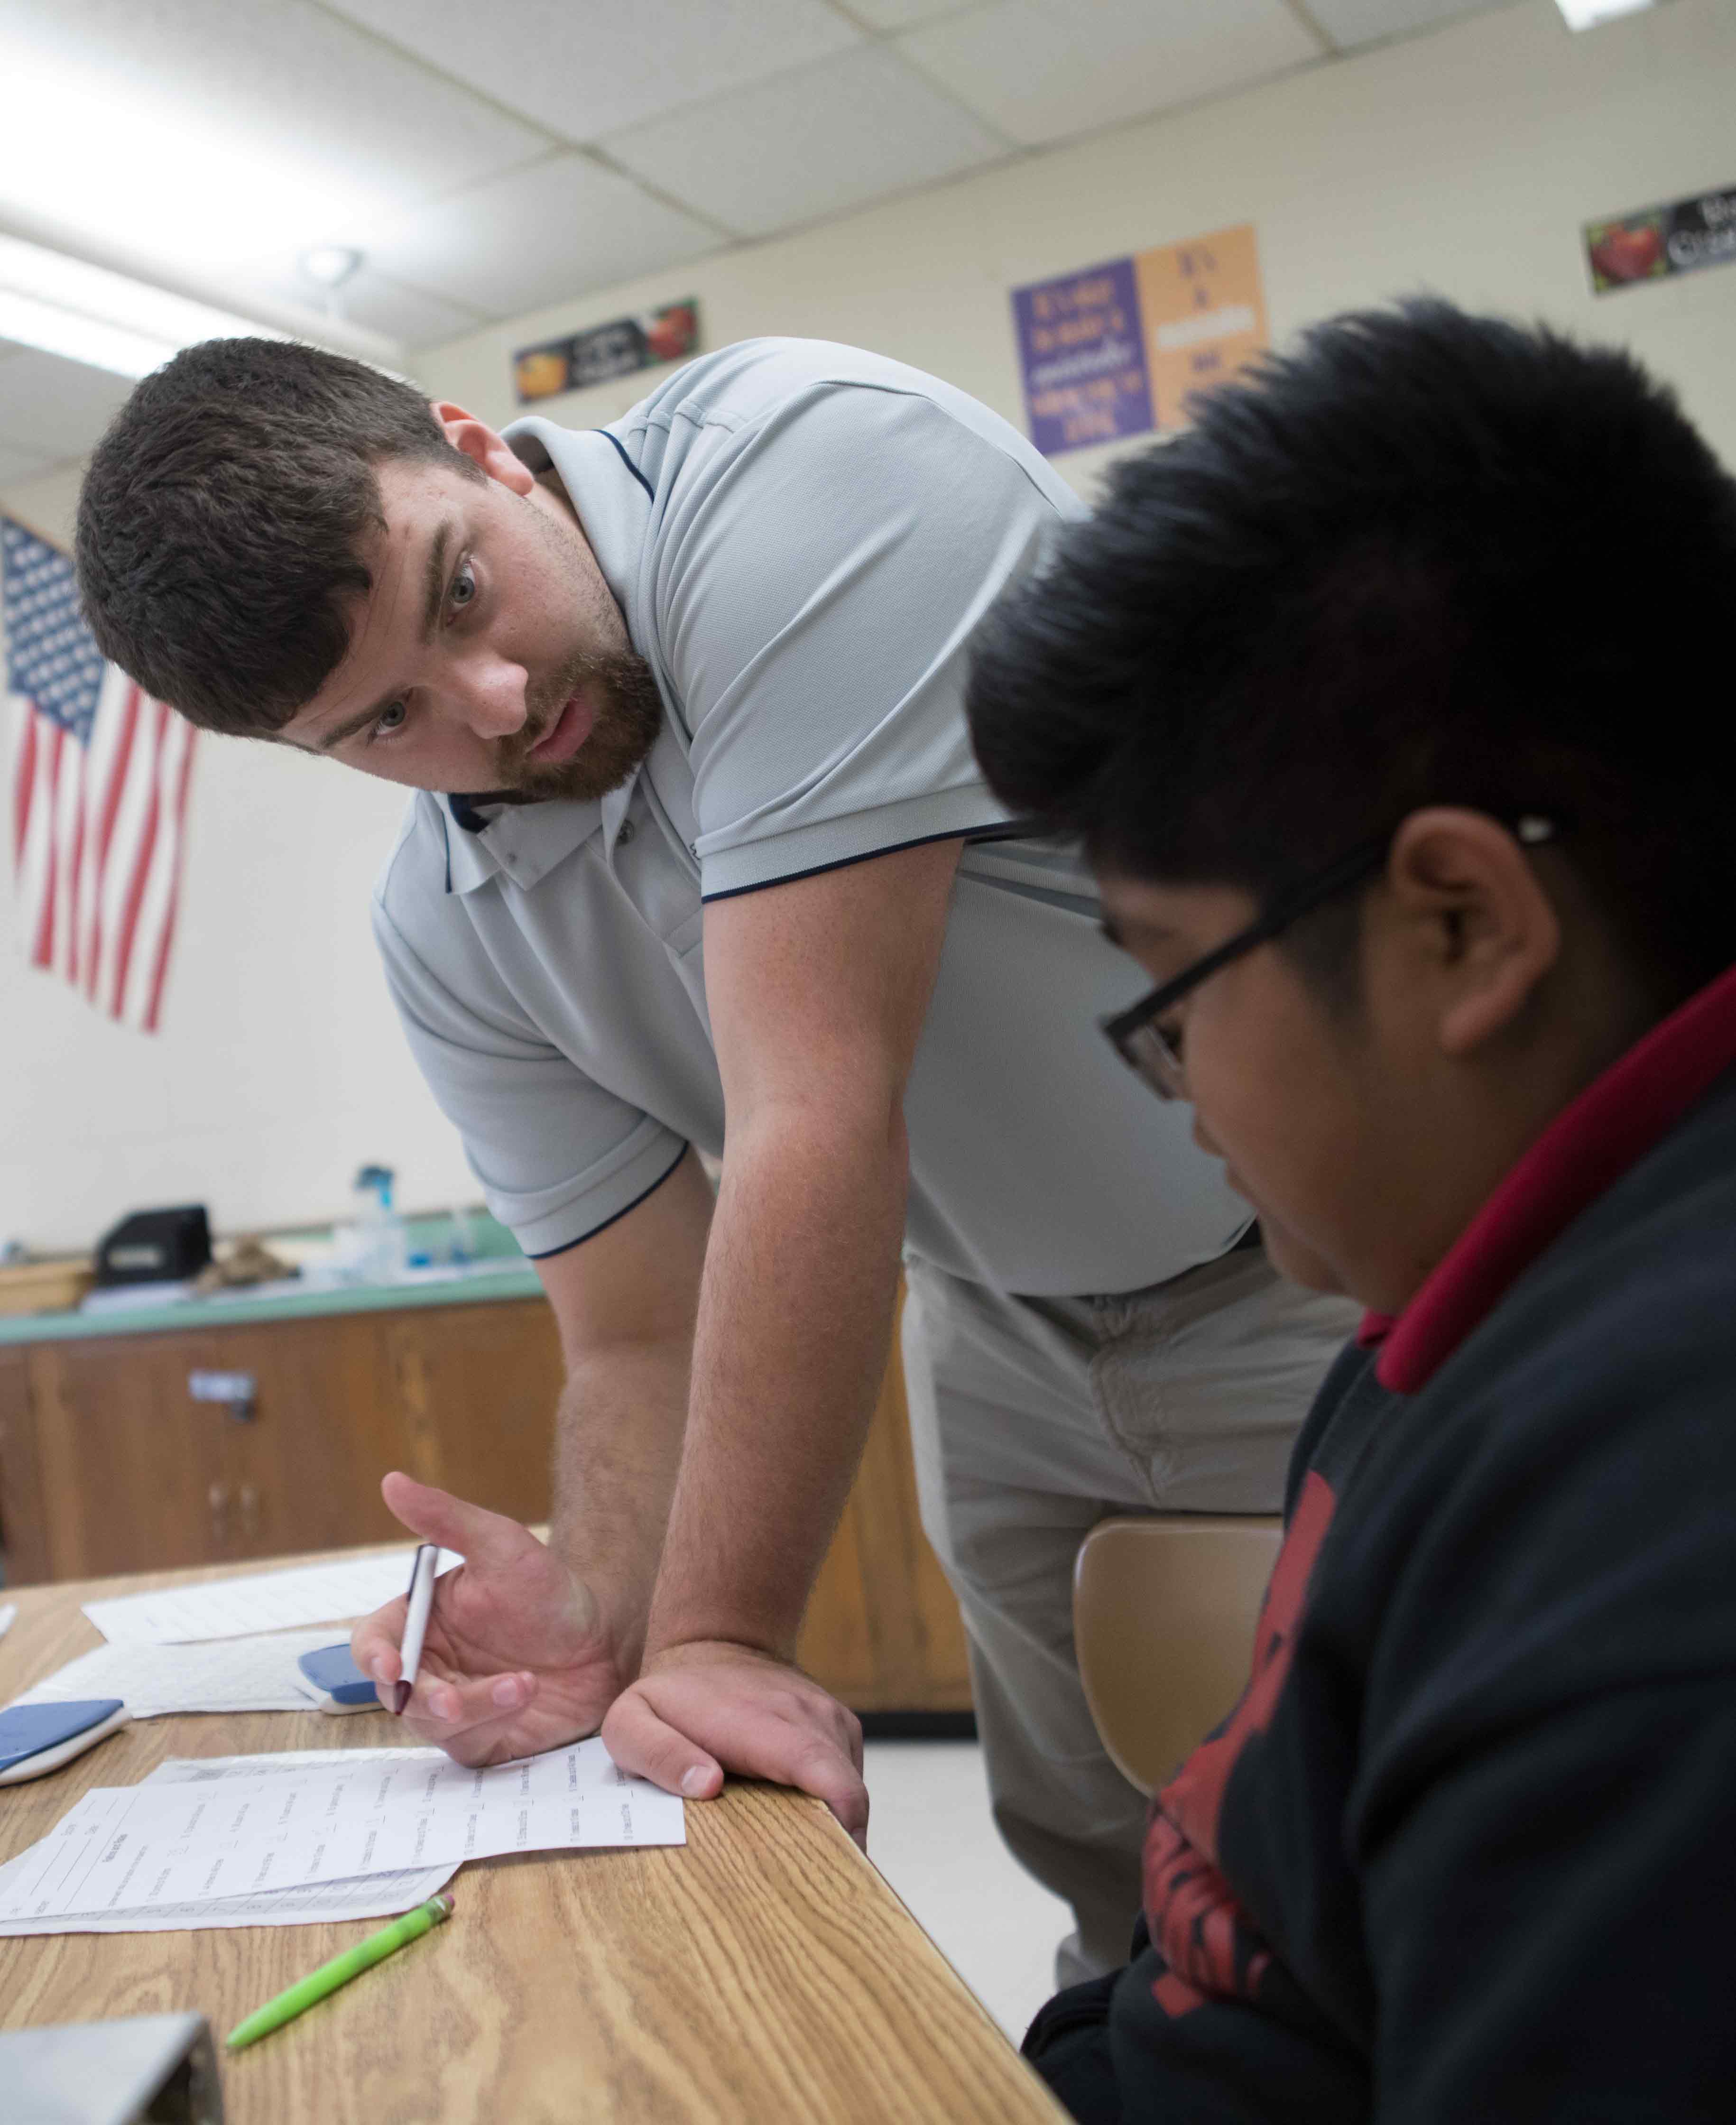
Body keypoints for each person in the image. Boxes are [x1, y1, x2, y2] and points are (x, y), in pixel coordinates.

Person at [74, 334, 1354, 1981]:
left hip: (1334, 1250)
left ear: (485, 450)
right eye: (385, 720)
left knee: (1435, 1854)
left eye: (461, 592)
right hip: (1006, 1328)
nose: (491, 706)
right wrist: (606, 1610)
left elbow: (815, 1105)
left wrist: (720, 1635)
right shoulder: (451, 936)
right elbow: (636, 1329)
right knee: (1123, 1885)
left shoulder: (810, 473)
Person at [963, 298, 1736, 2119]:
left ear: (1459, 926)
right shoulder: (1443, 1304)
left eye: (1171, 987)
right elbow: (1221, 1936)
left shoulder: (1655, 1555)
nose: (1174, 1084)